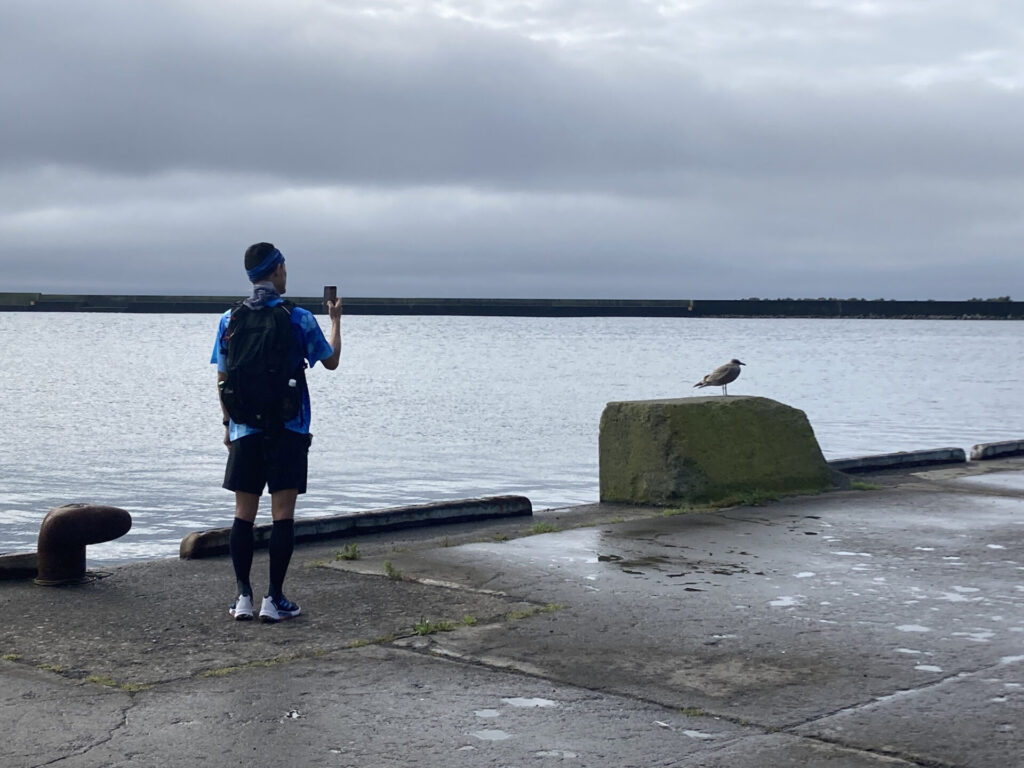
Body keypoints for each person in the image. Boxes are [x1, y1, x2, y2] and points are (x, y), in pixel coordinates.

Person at [212, 242, 342, 622]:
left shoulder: (229, 318)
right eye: (284, 267)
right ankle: (275, 599)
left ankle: (243, 598)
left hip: (244, 427)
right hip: (289, 426)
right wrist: (335, 320)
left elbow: (222, 377)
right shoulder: (298, 317)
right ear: (278, 269)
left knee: (243, 514)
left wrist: (227, 425)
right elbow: (330, 362)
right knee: (282, 514)